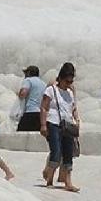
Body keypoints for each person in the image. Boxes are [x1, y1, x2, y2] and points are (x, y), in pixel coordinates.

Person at [40, 63, 80, 191]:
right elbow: (44, 107)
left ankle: (68, 183)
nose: (69, 83)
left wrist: (77, 119)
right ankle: (50, 180)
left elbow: (73, 108)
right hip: (53, 123)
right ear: (61, 78)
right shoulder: (51, 90)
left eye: (71, 80)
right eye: (67, 80)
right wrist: (43, 125)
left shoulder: (70, 92)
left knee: (68, 153)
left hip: (67, 125)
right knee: (56, 151)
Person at [16, 65, 45, 132]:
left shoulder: (28, 80)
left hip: (30, 113)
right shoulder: (43, 83)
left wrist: (19, 94)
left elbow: (23, 93)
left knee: (20, 135)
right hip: (40, 115)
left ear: (29, 73)